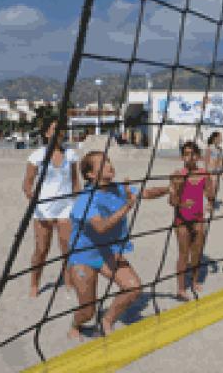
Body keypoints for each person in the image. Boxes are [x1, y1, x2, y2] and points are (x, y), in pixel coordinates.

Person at [67, 151, 169, 339]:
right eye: (103, 163)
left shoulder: (120, 188)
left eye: (109, 161)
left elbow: (147, 192)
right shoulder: (85, 199)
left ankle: (107, 320)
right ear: (90, 174)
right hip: (84, 256)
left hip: (108, 252)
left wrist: (170, 188)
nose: (109, 165)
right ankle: (75, 325)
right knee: (87, 311)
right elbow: (101, 227)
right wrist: (127, 206)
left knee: (133, 287)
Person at [23, 116, 80, 297]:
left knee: (66, 247)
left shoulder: (71, 154)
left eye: (61, 129)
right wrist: (30, 195)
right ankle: (34, 283)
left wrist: (80, 202)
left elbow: (75, 182)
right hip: (43, 207)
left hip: (66, 206)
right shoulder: (37, 156)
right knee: (42, 249)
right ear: (47, 132)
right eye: (54, 129)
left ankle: (68, 279)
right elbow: (27, 182)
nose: (58, 133)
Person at [169, 141, 215, 301]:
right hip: (181, 219)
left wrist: (210, 202)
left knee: (197, 253)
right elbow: (171, 200)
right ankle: (181, 289)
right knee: (183, 254)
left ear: (198, 156)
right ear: (182, 157)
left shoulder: (204, 174)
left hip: (198, 218)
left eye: (193, 154)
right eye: (187, 154)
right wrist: (182, 204)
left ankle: (194, 281)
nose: (190, 157)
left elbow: (210, 194)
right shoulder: (178, 175)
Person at [204, 131, 223, 207]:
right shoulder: (210, 147)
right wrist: (206, 171)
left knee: (216, 188)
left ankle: (211, 202)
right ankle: (209, 203)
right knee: (212, 188)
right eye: (220, 138)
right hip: (210, 170)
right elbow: (206, 160)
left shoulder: (220, 149)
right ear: (215, 138)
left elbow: (220, 161)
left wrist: (222, 172)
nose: (221, 139)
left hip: (216, 171)